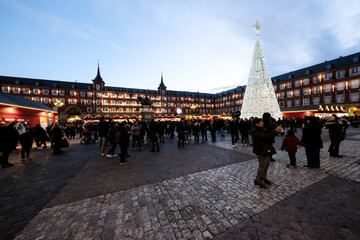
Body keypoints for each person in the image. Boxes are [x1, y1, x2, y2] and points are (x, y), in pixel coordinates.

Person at [251, 117, 283, 188]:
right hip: (260, 150)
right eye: (261, 122)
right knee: (262, 166)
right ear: (257, 124)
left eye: (262, 122)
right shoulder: (255, 131)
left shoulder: (263, 129)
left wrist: (276, 131)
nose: (263, 123)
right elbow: (266, 137)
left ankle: (263, 177)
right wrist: (275, 131)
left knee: (267, 164)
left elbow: (269, 136)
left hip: (266, 149)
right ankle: (258, 180)